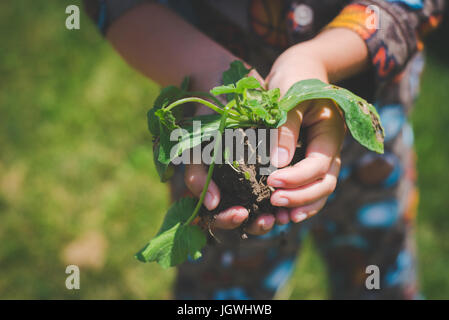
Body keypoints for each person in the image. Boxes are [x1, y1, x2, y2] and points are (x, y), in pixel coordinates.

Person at [84, 0, 445, 299]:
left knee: (376, 273)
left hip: (371, 114)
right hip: (216, 130)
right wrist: (205, 69)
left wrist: (322, 60)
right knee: (225, 285)